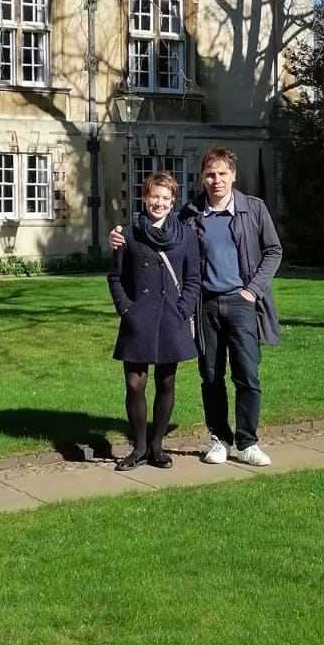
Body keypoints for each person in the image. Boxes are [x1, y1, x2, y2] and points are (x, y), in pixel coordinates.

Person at [110, 146, 282, 465]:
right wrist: (118, 236)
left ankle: (247, 442)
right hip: (205, 306)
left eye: (222, 174)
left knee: (247, 374)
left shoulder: (254, 209)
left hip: (242, 302)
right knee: (211, 375)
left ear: (233, 176)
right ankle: (219, 439)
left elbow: (273, 251)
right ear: (202, 178)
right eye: (210, 174)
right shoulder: (191, 213)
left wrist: (252, 291)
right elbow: (156, 234)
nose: (216, 180)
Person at [107, 171, 201, 470]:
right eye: (153, 196)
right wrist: (126, 309)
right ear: (144, 198)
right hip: (138, 320)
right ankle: (139, 447)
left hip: (170, 319)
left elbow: (193, 279)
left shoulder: (185, 236)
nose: (158, 203)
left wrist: (183, 309)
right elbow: (115, 277)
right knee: (135, 384)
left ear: (173, 201)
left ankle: (157, 446)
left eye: (164, 197)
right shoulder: (128, 235)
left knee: (166, 382)